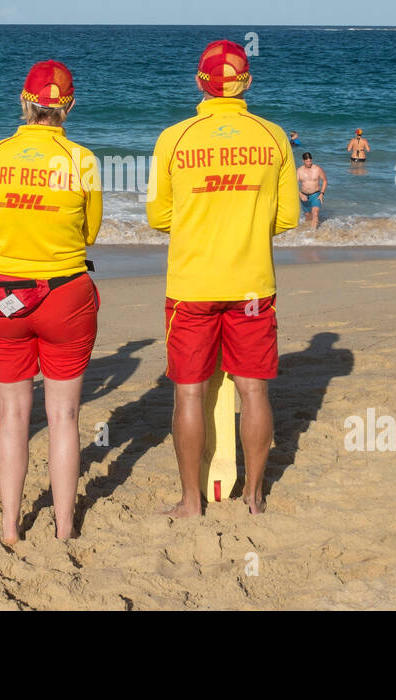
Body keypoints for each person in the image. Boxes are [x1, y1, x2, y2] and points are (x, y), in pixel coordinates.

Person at [146, 40, 298, 517]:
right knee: (253, 389)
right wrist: (246, 224)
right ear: (246, 83)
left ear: (199, 83)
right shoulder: (273, 137)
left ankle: (192, 501)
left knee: (189, 390)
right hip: (252, 284)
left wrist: (201, 221)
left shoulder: (174, 138)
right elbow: (289, 217)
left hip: (192, 284)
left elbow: (158, 216)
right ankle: (254, 497)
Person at [0, 61, 102, 545]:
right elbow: (89, 232)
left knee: (11, 413)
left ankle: (10, 527)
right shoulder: (82, 160)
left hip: (2, 294)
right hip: (64, 291)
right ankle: (64, 527)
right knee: (64, 417)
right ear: (68, 106)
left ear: (23, 102)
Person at [297, 152, 327, 229]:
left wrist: (322, 193)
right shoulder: (299, 171)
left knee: (315, 213)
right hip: (303, 195)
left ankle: (313, 233)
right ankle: (306, 232)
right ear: (303, 161)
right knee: (307, 216)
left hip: (315, 195)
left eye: (310, 161)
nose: (309, 163)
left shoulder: (317, 169)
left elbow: (325, 181)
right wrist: (300, 194)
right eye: (307, 161)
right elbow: (293, 184)